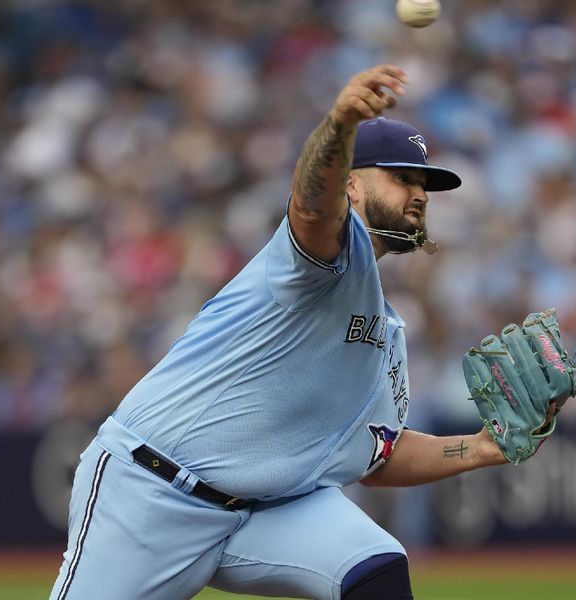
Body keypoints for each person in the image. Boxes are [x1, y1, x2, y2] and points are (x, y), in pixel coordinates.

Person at [49, 64, 507, 600]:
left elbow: (376, 454)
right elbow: (313, 206)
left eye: (425, 183)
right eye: (402, 177)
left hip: (266, 512)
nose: (421, 193)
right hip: (153, 492)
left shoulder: (385, 327)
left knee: (378, 570)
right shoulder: (326, 257)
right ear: (352, 183)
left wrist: (480, 448)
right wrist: (338, 127)